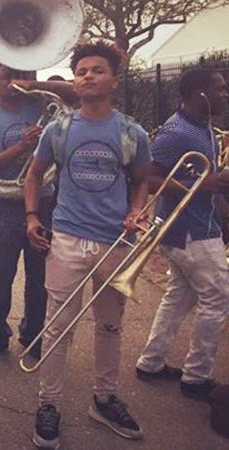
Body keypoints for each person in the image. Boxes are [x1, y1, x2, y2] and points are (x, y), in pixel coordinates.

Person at [25, 41, 152, 448]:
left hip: (115, 242)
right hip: (67, 238)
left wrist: (138, 210)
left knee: (110, 327)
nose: (87, 76)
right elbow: (33, 176)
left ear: (113, 80)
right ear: (75, 80)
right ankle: (48, 405)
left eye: (97, 70)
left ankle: (105, 398)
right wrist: (31, 216)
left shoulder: (133, 132)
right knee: (58, 327)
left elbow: (141, 181)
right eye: (81, 71)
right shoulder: (58, 129)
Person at [135, 68, 229, 402]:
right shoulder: (175, 133)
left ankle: (150, 362)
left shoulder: (203, 127)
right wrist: (199, 186)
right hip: (190, 231)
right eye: (219, 89)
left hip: (195, 226)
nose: (224, 94)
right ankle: (196, 376)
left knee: (179, 296)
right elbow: (147, 180)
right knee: (218, 298)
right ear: (199, 93)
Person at [0, 63, 74, 361]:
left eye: (23, 75)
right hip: (5, 206)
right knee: (1, 275)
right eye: (8, 76)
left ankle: (34, 334)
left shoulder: (42, 105)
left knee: (39, 276)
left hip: (44, 202)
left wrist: (37, 86)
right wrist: (22, 145)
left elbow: (76, 91)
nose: (15, 82)